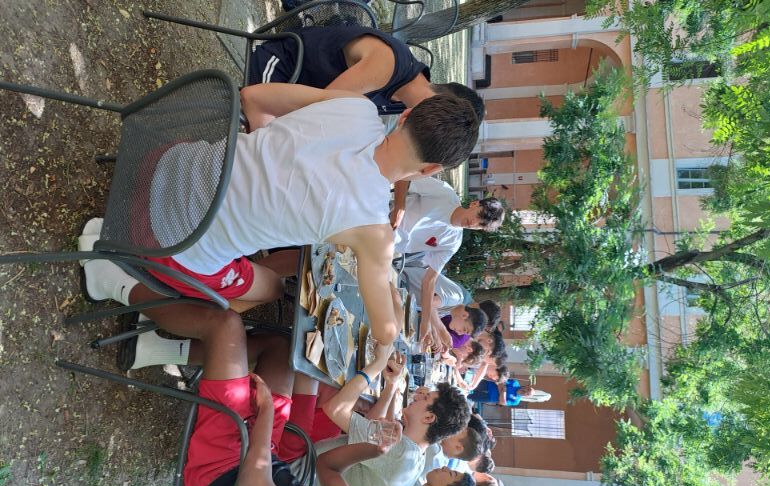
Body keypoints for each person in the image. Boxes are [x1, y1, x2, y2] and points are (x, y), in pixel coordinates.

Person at [80, 83, 480, 349]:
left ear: (406, 116)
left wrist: (269, 161)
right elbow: (386, 331)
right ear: (431, 170)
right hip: (169, 243)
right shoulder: (374, 232)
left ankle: (120, 240)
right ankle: (118, 281)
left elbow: (252, 97)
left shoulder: (356, 106)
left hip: (161, 162)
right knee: (271, 286)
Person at [174, 304, 457, 486]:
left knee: (227, 325)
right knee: (281, 350)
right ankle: (170, 350)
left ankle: (145, 313)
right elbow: (327, 467)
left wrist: (267, 411)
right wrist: (373, 449)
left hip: (222, 478)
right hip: (261, 460)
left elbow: (252, 485)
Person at [247, 24, 485, 119]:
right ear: (440, 104)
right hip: (282, 66)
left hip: (298, 93)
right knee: (267, 153)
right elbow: (318, 111)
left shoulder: (403, 102)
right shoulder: (389, 65)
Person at [317, 369, 471, 486]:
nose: (417, 396)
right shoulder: (418, 457)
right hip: (316, 474)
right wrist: (392, 384)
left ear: (429, 418)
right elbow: (370, 423)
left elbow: (335, 409)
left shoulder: (401, 452)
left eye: (425, 398)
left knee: (319, 381)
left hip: (306, 469)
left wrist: (377, 364)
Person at [392, 177, 504, 349]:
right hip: (377, 213)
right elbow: (404, 179)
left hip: (387, 247)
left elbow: (429, 280)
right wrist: (399, 209)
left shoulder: (453, 242)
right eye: (479, 215)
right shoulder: (446, 194)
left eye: (481, 225)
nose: (474, 223)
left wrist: (426, 324)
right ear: (475, 204)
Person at [469, 378, 551, 406]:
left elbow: (502, 402)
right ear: (527, 387)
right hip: (487, 385)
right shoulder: (515, 383)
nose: (525, 392)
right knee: (469, 384)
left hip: (488, 397)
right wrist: (502, 394)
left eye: (527, 394)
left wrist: (504, 390)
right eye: (527, 390)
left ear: (527, 396)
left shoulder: (516, 401)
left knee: (468, 396)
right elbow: (500, 381)